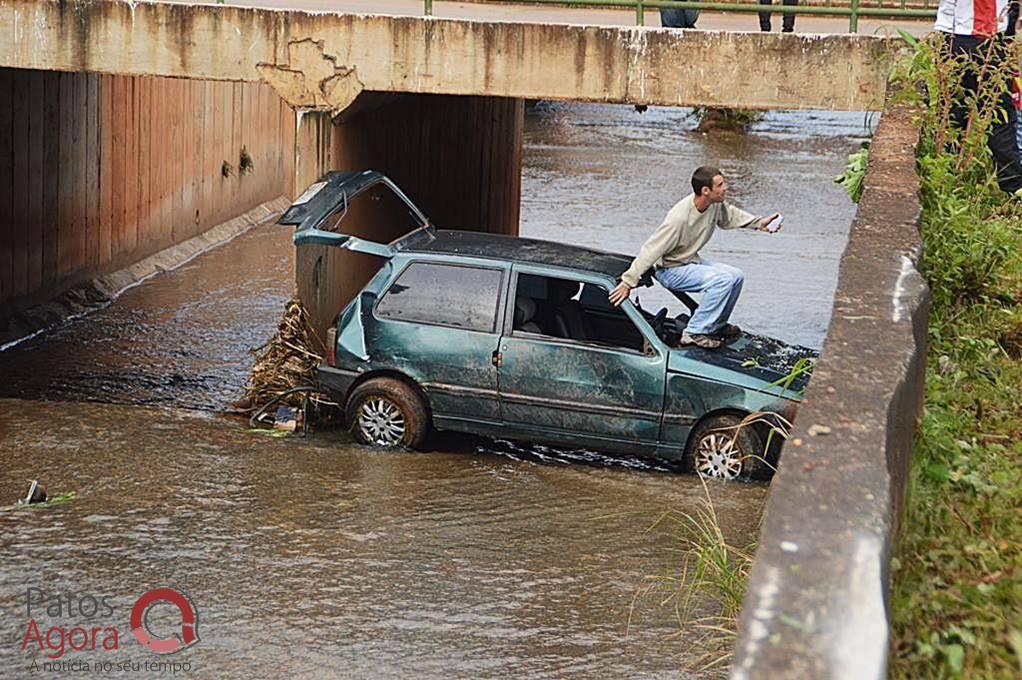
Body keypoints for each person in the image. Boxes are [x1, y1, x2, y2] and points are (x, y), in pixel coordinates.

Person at [608, 167, 781, 350]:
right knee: (723, 280)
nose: (726, 188)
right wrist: (628, 282)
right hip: (670, 270)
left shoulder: (714, 204)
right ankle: (694, 332)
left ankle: (716, 326)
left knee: (736, 276)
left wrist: (759, 223)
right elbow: (651, 249)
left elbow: (729, 217)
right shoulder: (679, 218)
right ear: (706, 190)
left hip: (689, 261)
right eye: (720, 185)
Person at [935, 0, 1022, 193]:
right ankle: (1013, 189)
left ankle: (946, 185)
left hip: (955, 38)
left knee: (952, 118)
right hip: (988, 38)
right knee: (999, 120)